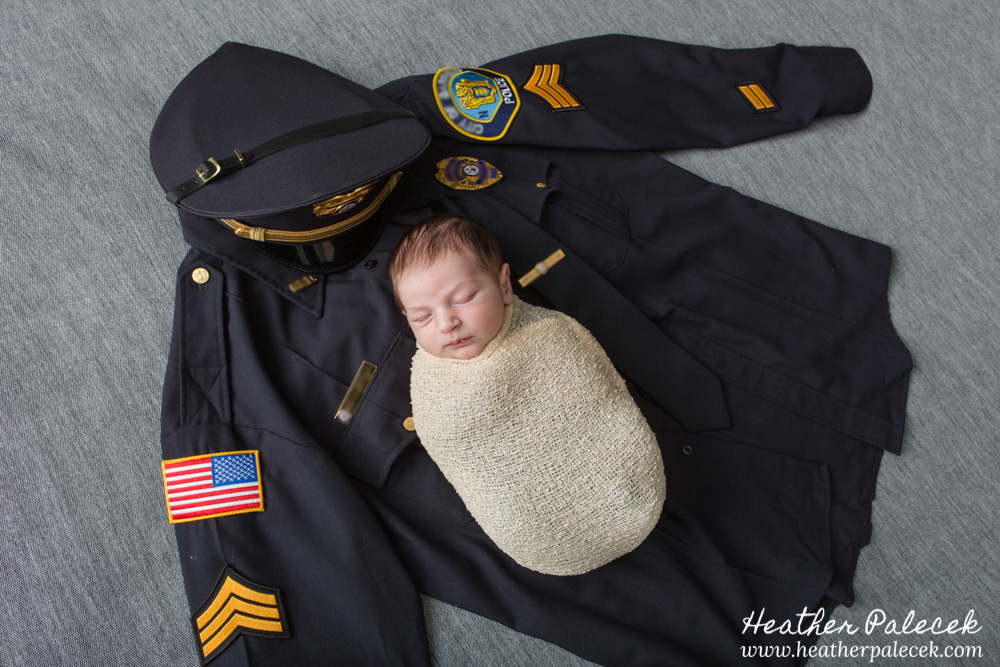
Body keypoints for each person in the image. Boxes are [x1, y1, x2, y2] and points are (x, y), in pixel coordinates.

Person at [149, 36, 912, 666]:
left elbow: (603, 84)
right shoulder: (223, 345)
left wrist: (783, 84)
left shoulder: (410, 117)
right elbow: (246, 541)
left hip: (780, 343)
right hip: (669, 548)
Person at [391, 214, 666, 576]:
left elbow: (592, 399)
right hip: (534, 531)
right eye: (422, 317)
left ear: (505, 286)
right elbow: (449, 440)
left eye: (464, 298)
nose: (446, 323)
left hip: (619, 486)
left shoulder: (547, 336)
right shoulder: (432, 386)